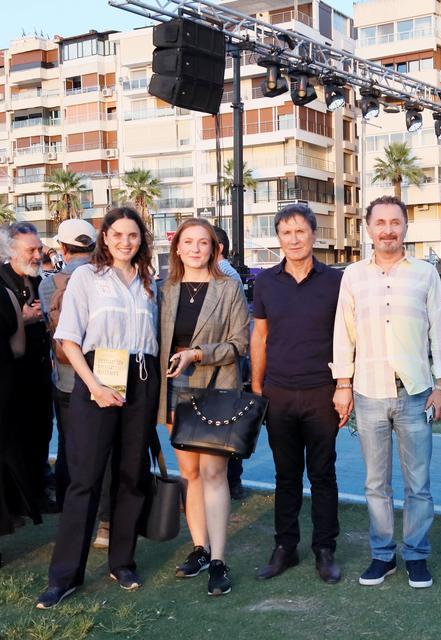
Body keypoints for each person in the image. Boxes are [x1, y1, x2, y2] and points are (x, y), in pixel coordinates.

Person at [36, 207, 160, 609]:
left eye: (133, 235)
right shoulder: (87, 277)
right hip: (98, 375)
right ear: (104, 237)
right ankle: (64, 576)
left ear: (141, 240)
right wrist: (94, 386)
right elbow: (69, 338)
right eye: (118, 234)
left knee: (131, 474)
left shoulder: (147, 281)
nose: (126, 242)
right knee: (85, 479)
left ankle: (122, 562)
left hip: (142, 376)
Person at [332, 195, 441, 590]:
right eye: (380, 223)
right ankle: (383, 555)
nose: (388, 230)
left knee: (418, 483)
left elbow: (440, 331)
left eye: (395, 222)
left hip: (415, 393)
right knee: (375, 483)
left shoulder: (425, 274)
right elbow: (343, 334)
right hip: (368, 393)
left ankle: (416, 555)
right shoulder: (353, 276)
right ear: (368, 229)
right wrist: (343, 384)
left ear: (405, 227)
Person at [252, 204, 344, 584]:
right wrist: (257, 387)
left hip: (322, 392)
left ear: (313, 235)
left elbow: (348, 336)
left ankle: (325, 549)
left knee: (323, 475)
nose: (294, 239)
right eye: (286, 233)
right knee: (286, 476)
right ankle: (285, 548)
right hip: (278, 393)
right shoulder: (265, 282)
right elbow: (260, 336)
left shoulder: (336, 281)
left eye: (300, 231)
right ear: (279, 238)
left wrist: (344, 386)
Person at [158, 218, 249, 596]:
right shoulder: (164, 289)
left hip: (216, 390)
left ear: (214, 249)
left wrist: (198, 354)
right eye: (188, 242)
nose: (195, 249)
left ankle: (218, 560)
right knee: (190, 474)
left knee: (214, 474)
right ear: (177, 248)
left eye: (203, 242)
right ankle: (200, 548)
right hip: (174, 391)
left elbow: (240, 344)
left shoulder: (229, 287)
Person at [39, 219, 97, 512]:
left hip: (65, 377)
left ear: (63, 247)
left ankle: (67, 503)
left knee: (67, 444)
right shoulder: (105, 276)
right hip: (103, 375)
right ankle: (103, 509)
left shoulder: (49, 284)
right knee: (102, 443)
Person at [0, 222, 54, 514]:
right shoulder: (2, 281)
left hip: (40, 373)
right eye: (30, 249)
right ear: (11, 251)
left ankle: (37, 491)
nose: (37, 255)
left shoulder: (41, 281)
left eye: (39, 248)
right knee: (16, 438)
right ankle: (20, 499)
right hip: (11, 378)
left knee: (41, 431)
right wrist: (23, 317)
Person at [211, 224, 248, 502]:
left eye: (206, 243)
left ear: (219, 247)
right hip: (224, 357)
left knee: (226, 425)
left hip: (225, 359)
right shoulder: (225, 272)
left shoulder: (225, 274)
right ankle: (232, 481)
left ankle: (233, 480)